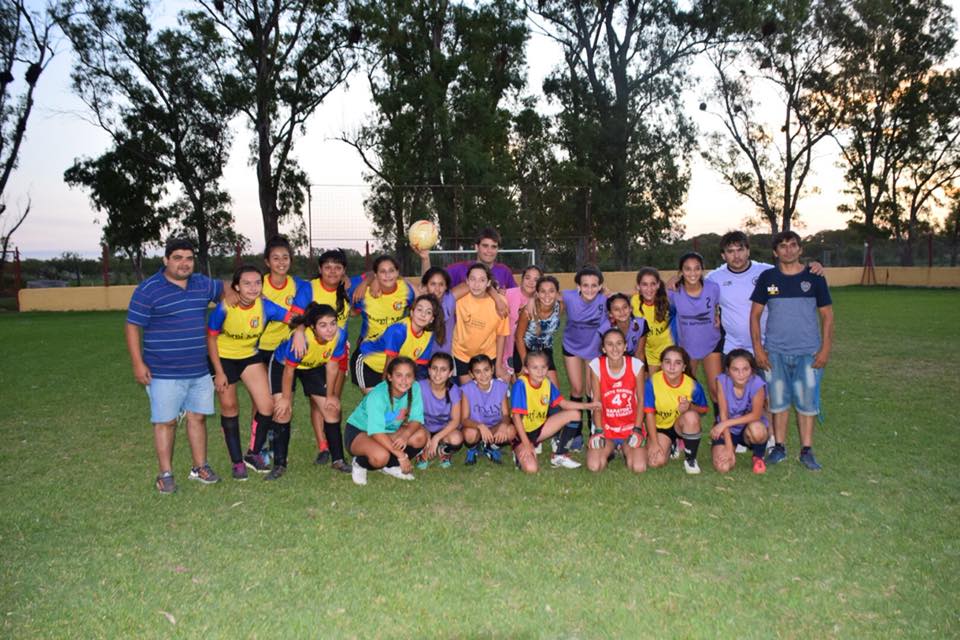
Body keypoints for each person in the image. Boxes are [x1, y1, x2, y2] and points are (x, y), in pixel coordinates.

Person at [126, 237, 231, 494]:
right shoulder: (148, 289)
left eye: (189, 258)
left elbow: (227, 288)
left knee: (197, 418)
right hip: (164, 370)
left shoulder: (201, 284)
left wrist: (240, 295)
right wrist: (138, 363)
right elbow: (132, 326)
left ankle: (200, 467)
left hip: (199, 369)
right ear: (166, 260)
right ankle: (165, 474)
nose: (184, 263)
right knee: (166, 421)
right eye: (177, 258)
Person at [750, 231, 834, 470]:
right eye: (783, 246)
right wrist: (759, 350)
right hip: (774, 352)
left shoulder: (814, 277)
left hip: (808, 353)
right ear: (775, 252)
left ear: (800, 249)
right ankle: (779, 447)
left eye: (793, 245)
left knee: (807, 402)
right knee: (778, 401)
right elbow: (755, 315)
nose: (788, 250)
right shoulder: (768, 277)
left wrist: (825, 349)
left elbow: (827, 316)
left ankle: (806, 450)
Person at [207, 265, 292, 480]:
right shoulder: (225, 307)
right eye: (247, 283)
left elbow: (293, 318)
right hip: (223, 358)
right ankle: (237, 462)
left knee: (267, 407)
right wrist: (219, 372)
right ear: (236, 287)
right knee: (229, 406)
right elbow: (211, 338)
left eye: (257, 283)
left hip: (249, 356)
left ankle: (252, 454)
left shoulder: (265, 306)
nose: (253, 288)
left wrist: (300, 330)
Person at [250, 235, 311, 470]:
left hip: (284, 351)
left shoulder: (299, 286)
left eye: (285, 257)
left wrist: (299, 329)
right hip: (258, 349)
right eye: (275, 258)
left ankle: (275, 448)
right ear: (267, 262)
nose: (281, 262)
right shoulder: (257, 284)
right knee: (261, 402)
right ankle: (256, 448)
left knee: (283, 401)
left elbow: (300, 315)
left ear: (291, 260)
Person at [269, 303, 348, 480]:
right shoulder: (303, 339)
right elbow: (289, 370)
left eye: (333, 323)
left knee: (331, 409)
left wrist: (330, 396)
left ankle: (338, 460)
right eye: (323, 325)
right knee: (282, 411)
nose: (330, 329)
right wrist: (286, 399)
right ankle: (279, 465)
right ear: (312, 327)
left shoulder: (340, 335)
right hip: (283, 366)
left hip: (313, 366)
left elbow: (333, 366)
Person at [344, 357, 429, 485]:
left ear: (414, 378)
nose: (404, 380)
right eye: (399, 375)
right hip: (361, 431)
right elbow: (376, 432)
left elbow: (416, 419)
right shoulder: (377, 395)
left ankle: (391, 466)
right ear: (390, 377)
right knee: (381, 456)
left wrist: (405, 436)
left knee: (420, 436)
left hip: (388, 431)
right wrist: (401, 455)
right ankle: (359, 463)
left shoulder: (415, 387)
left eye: (408, 376)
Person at [511, 351, 600, 472]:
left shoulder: (547, 383)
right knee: (531, 468)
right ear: (526, 370)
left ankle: (560, 455)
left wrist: (588, 406)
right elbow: (516, 417)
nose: (540, 371)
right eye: (535, 368)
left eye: (543, 367)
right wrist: (526, 444)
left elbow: (563, 404)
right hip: (521, 433)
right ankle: (518, 452)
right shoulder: (521, 384)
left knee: (575, 414)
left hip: (539, 429)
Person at [308, 248, 353, 470]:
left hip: (338, 353)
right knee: (317, 401)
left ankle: (333, 440)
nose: (332, 271)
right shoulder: (309, 288)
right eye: (327, 267)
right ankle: (323, 446)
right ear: (320, 269)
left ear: (344, 271)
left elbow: (372, 275)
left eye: (338, 267)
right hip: (315, 353)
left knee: (333, 397)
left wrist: (364, 281)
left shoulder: (347, 288)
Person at [669, 252, 722, 417]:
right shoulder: (674, 292)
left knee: (716, 389)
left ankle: (720, 422)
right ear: (681, 272)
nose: (692, 273)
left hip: (711, 343)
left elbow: (719, 306)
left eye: (697, 268)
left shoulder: (713, 288)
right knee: (687, 389)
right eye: (687, 269)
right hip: (687, 346)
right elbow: (651, 293)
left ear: (702, 270)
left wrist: (718, 314)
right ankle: (687, 425)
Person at [586, 329, 647, 474]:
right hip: (607, 429)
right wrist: (598, 431)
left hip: (630, 428)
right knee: (595, 466)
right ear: (603, 348)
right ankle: (611, 449)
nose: (615, 348)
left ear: (625, 346)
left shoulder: (636, 365)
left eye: (619, 343)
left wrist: (637, 429)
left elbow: (641, 400)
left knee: (638, 467)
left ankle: (626, 449)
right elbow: (596, 401)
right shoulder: (596, 365)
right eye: (609, 344)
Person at [560, 266, 608, 449]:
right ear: (578, 286)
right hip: (572, 346)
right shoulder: (569, 297)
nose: (590, 289)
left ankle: (594, 429)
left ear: (600, 286)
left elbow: (626, 299)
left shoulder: (605, 299)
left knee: (592, 390)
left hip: (593, 348)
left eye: (594, 285)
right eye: (585, 285)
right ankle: (576, 432)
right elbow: (546, 294)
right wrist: (532, 300)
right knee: (577, 388)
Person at [349, 254, 415, 385]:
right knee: (375, 397)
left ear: (397, 273)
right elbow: (353, 312)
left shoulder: (406, 291)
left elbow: (416, 309)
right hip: (369, 353)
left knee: (394, 394)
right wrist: (367, 282)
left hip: (394, 353)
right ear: (376, 274)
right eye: (382, 271)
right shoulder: (364, 293)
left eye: (391, 271)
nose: (388, 275)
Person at [356, 294, 443, 392]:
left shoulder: (429, 336)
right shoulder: (399, 330)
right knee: (376, 399)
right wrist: (385, 392)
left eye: (428, 312)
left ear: (432, 319)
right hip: (367, 362)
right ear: (412, 312)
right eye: (419, 310)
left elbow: (418, 367)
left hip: (393, 368)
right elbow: (389, 365)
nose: (423, 314)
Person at [644, 346, 709, 474]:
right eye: (667, 362)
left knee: (691, 417)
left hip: (680, 424)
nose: (672, 367)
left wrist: (690, 407)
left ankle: (690, 460)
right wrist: (655, 443)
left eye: (677, 363)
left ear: (684, 367)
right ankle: (671, 444)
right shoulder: (652, 383)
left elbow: (704, 409)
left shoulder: (692, 385)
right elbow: (649, 414)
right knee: (655, 462)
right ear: (661, 365)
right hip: (661, 427)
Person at [710, 349, 769, 475]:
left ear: (752, 370)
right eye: (735, 369)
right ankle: (732, 447)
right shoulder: (721, 381)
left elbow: (756, 415)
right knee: (723, 467)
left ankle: (758, 456)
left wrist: (725, 424)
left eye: (745, 369)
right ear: (728, 370)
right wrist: (729, 447)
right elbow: (723, 414)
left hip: (748, 427)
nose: (741, 374)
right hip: (728, 430)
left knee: (758, 430)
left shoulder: (757, 383)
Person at [451, 263, 511, 384]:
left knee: (487, 391)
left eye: (482, 280)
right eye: (472, 279)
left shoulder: (500, 304)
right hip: (461, 354)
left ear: (488, 283)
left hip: (488, 355)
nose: (476, 284)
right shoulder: (460, 299)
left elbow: (501, 335)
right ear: (467, 281)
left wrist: (498, 365)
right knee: (468, 391)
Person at [459, 354, 513, 465]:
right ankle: (473, 448)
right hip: (477, 429)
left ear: (492, 369)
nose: (483, 375)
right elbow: (464, 419)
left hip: (494, 428)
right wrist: (480, 426)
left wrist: (503, 425)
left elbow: (506, 415)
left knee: (511, 430)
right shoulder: (467, 389)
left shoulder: (500, 386)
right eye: (478, 372)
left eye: (486, 370)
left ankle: (490, 447)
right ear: (471, 374)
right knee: (469, 434)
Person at [415, 352, 463, 469]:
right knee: (416, 437)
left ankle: (443, 450)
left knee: (457, 439)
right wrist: (426, 434)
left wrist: (436, 438)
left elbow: (455, 421)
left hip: (444, 430)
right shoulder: (419, 387)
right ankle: (422, 450)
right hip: (423, 427)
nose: (438, 373)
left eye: (443, 370)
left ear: (450, 373)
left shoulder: (453, 390)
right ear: (429, 370)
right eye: (434, 368)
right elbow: (413, 416)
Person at [513, 275, 562, 388]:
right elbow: (518, 337)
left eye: (551, 291)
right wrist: (526, 363)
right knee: (528, 390)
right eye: (543, 291)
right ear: (537, 294)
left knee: (554, 391)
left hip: (545, 350)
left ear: (557, 293)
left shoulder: (560, 307)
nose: (547, 295)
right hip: (525, 350)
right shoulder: (528, 311)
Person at [439, 227, 518, 291]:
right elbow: (435, 282)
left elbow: (517, 296)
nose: (489, 251)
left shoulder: (504, 271)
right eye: (485, 246)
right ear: (476, 247)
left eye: (493, 247)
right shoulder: (459, 269)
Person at [630, 267, 674, 374]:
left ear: (658, 285)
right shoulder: (634, 302)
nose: (649, 289)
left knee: (669, 381)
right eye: (644, 284)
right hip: (650, 353)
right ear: (638, 286)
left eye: (653, 284)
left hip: (668, 348)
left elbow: (677, 279)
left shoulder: (667, 301)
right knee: (652, 383)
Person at [503, 265, 544, 377]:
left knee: (526, 382)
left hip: (525, 349)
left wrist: (533, 299)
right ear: (522, 279)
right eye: (527, 278)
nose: (531, 282)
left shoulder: (542, 299)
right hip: (505, 348)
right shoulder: (508, 294)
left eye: (536, 280)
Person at [595, 293, 647, 359]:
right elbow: (605, 355)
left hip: (634, 361)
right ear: (610, 314)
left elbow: (639, 354)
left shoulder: (641, 324)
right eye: (616, 309)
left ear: (630, 308)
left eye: (625, 307)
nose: (622, 312)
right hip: (612, 359)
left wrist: (638, 366)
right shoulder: (604, 329)